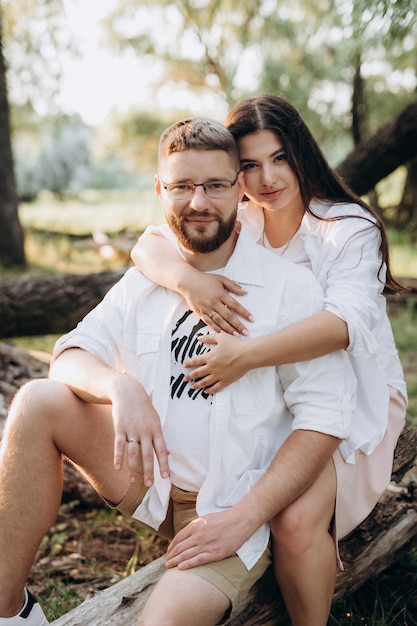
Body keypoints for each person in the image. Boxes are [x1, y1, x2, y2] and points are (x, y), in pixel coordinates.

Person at [0, 117, 355, 626]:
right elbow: (69, 354)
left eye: (214, 185)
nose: (198, 202)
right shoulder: (146, 281)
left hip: (231, 507)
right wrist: (120, 387)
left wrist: (246, 518)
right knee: (38, 401)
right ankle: (10, 612)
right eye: (182, 186)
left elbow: (323, 418)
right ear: (159, 189)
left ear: (240, 189)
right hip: (152, 480)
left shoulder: (288, 289)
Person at [131, 95, 408, 622]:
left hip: (348, 396)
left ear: (302, 152)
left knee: (293, 518)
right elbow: (148, 246)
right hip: (265, 394)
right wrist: (189, 282)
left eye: (280, 158)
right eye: (250, 166)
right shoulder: (245, 220)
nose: (267, 179)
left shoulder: (347, 228)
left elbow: (342, 325)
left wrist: (247, 356)